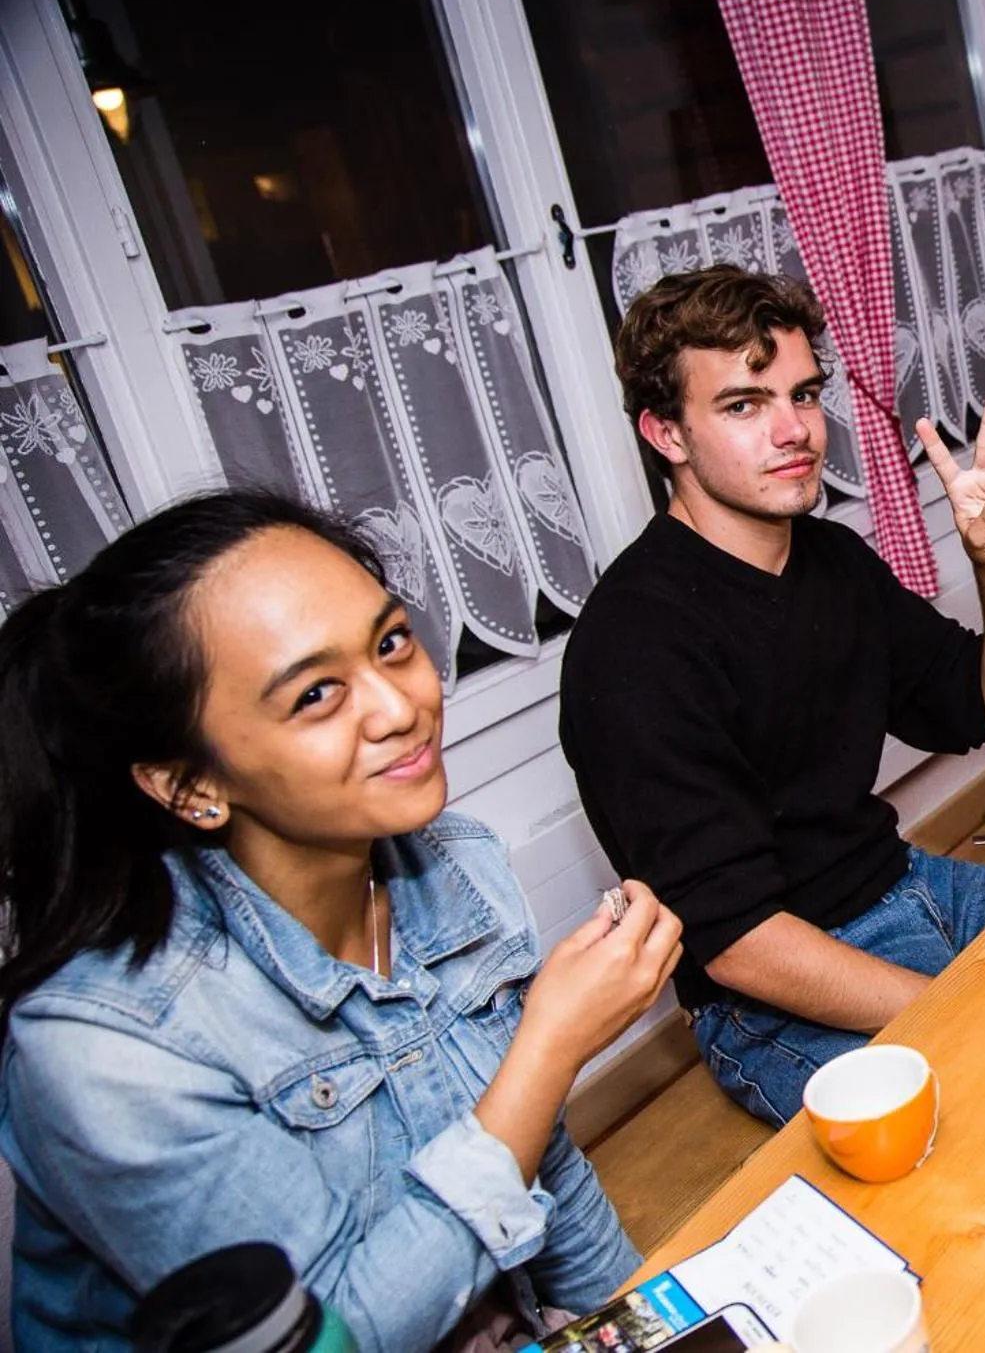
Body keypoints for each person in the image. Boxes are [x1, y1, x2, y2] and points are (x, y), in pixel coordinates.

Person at [0, 492, 681, 1350]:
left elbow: (544, 1171)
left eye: (391, 642)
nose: (401, 706)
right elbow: (339, 1332)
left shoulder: (452, 866)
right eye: (317, 693)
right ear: (190, 785)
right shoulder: (107, 1046)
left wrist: (654, 1325)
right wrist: (548, 1048)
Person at [560, 268, 985, 1127]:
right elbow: (741, 945)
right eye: (743, 405)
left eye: (805, 394)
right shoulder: (632, 643)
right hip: (773, 993)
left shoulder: (832, 559)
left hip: (910, 880)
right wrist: (963, 1009)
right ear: (666, 433)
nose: (795, 430)